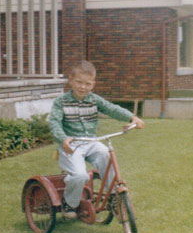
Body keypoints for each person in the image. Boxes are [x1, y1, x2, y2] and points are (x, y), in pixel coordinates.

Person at [49, 60, 144, 219]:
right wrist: (63, 138)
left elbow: (111, 109)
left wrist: (131, 117)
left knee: (106, 154)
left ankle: (114, 196)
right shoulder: (61, 102)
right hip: (71, 144)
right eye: (79, 82)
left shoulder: (94, 99)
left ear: (93, 84)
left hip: (91, 142)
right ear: (70, 80)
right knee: (80, 176)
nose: (82, 87)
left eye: (87, 84)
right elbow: (54, 123)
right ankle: (70, 203)